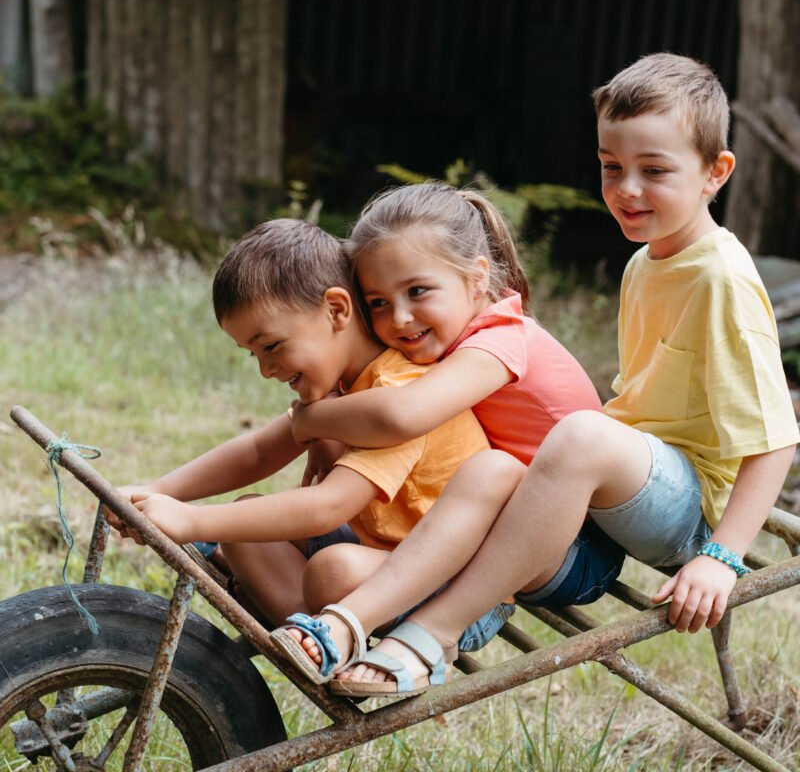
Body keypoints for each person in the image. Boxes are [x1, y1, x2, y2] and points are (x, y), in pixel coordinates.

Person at [307, 52, 800, 698]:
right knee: (496, 467)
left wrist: (721, 557)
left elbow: (776, 438)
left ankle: (433, 632)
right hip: (630, 487)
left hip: (695, 511)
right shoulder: (647, 262)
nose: (627, 189)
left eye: (654, 170)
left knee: (581, 434)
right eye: (611, 166)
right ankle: (402, 596)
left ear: (716, 173)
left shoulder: (721, 279)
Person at [107, 218, 504, 681]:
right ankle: (306, 633)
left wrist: (192, 520)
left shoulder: (397, 393)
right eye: (253, 354)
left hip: (453, 585)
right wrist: (159, 491)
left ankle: (325, 638)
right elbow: (259, 452)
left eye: (272, 346)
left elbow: (328, 506)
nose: (265, 369)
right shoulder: (343, 385)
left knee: (331, 570)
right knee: (243, 525)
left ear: (336, 310)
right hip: (380, 551)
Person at [274, 182, 626, 693]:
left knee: (340, 565)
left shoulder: (500, 340)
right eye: (378, 302)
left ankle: (400, 629)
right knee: (280, 539)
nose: (399, 318)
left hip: (567, 547)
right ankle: (310, 636)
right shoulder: (440, 340)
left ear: (477, 278)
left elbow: (403, 414)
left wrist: (311, 420)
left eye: (417, 292)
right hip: (486, 523)